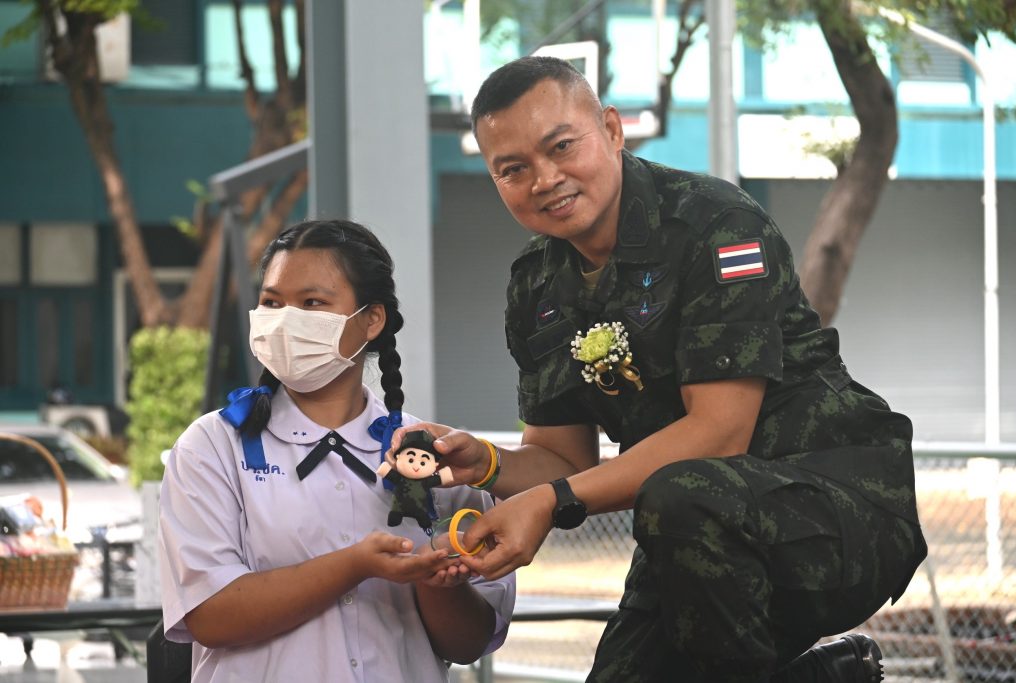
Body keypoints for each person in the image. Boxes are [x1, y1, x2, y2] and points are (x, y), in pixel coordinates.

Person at [395, 56, 928, 682]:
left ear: (613, 131)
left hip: (841, 509)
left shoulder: (715, 224)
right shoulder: (536, 288)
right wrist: (487, 462)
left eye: (561, 146)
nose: (544, 179)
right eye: (512, 170)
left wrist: (552, 502)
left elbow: (718, 434)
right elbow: (564, 461)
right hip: (694, 531)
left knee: (679, 497)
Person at [158, 219, 515, 682]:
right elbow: (210, 615)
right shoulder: (214, 446)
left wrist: (434, 584)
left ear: (372, 319)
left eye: (312, 303)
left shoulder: (432, 452)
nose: (286, 319)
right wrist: (353, 566)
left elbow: (470, 642)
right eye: (271, 302)